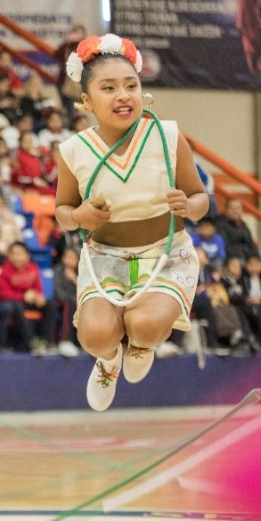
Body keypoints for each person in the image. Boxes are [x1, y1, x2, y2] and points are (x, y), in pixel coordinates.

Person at [55, 35, 207, 411]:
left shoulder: (168, 135)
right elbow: (62, 212)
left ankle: (140, 345)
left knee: (146, 326)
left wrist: (188, 206)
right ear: (86, 101)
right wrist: (79, 216)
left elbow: (201, 199)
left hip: (165, 254)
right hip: (105, 256)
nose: (123, 95)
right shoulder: (73, 150)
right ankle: (109, 361)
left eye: (131, 86)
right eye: (108, 88)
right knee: (94, 335)